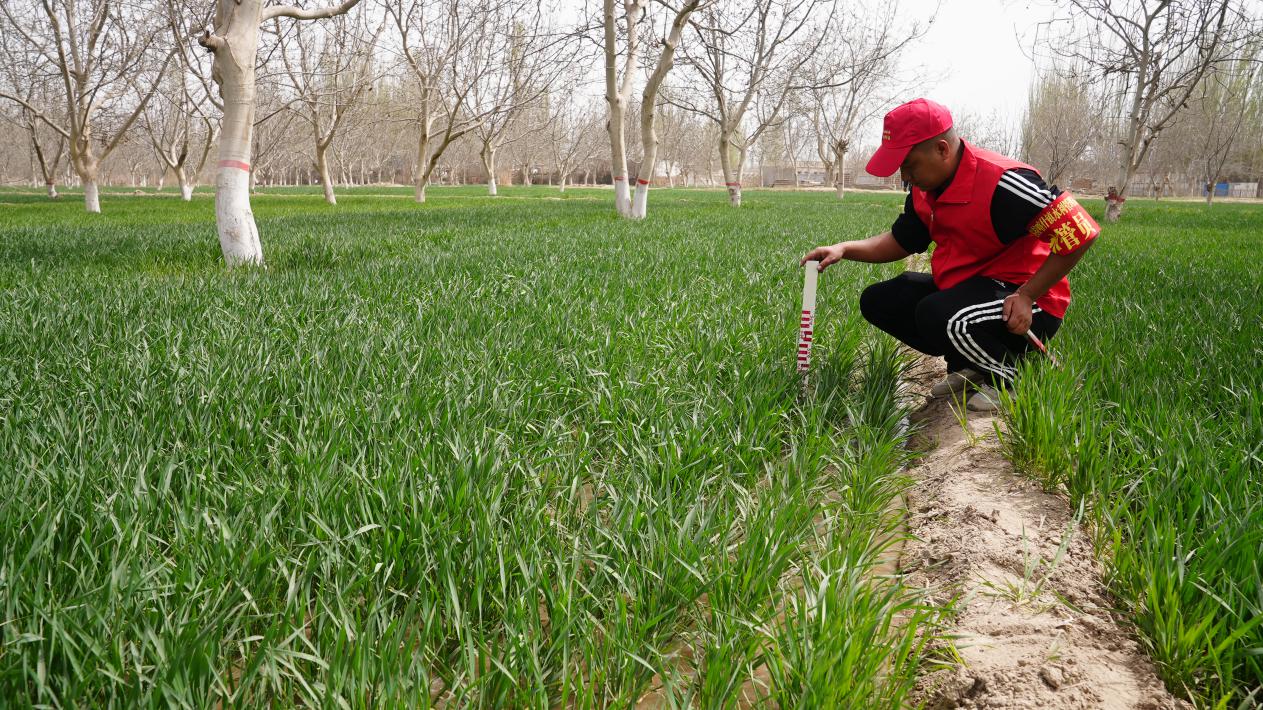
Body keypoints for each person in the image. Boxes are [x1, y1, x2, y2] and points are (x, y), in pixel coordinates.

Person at [801, 98, 1100, 411]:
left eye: (908, 164)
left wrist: (1028, 295)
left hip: (1028, 302)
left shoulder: (1003, 181)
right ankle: (973, 367)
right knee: (882, 300)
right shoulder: (924, 190)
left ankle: (1013, 379)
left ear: (942, 149)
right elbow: (901, 241)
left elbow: (1081, 233)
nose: (905, 175)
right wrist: (844, 249)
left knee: (941, 313)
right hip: (974, 290)